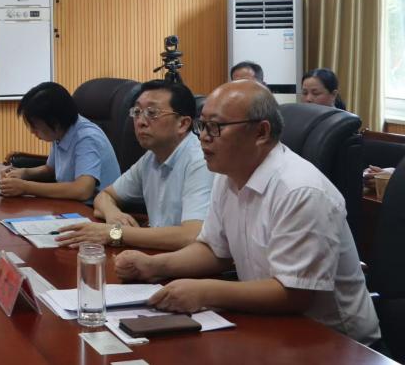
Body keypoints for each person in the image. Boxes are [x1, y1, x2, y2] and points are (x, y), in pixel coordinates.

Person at [114, 80, 380, 346]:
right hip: (271, 326)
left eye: (215, 127)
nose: (203, 136)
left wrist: (205, 291)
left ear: (261, 132)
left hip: (337, 343)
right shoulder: (227, 175)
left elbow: (294, 293)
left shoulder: (300, 190)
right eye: (202, 125)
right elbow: (214, 250)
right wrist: (155, 266)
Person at [55, 80, 213, 250]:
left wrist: (114, 233)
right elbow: (105, 196)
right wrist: (113, 214)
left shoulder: (200, 161)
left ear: (182, 124)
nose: (140, 122)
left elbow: (191, 235)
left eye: (152, 113)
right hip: (156, 253)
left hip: (187, 261)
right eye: (137, 112)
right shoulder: (150, 158)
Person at [0, 82, 120, 202]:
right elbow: (50, 169)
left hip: (94, 209)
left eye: (35, 126)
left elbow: (82, 190)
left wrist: (26, 187)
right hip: (70, 204)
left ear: (55, 123)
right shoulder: (61, 130)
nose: (32, 131)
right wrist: (24, 173)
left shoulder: (87, 138)